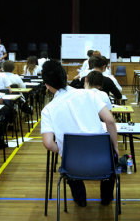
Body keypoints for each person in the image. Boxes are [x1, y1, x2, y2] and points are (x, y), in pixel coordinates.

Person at [41, 60, 118, 207]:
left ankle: (80, 199)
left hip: (73, 164)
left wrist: (63, 149)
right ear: (66, 77)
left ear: (47, 85)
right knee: (111, 157)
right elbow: (110, 121)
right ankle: (106, 198)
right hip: (102, 160)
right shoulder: (90, 95)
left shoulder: (48, 110)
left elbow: (48, 143)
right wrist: (115, 148)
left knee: (69, 162)